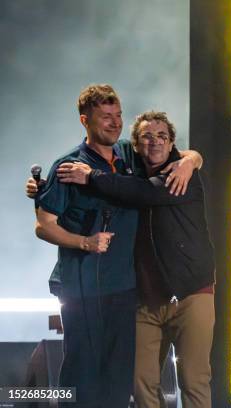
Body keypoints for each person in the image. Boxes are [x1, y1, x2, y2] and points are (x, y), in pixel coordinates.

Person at [32, 85, 201, 407]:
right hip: (81, 289)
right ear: (85, 121)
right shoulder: (68, 166)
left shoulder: (129, 154)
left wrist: (190, 161)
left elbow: (184, 153)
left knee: (119, 377)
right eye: (105, 117)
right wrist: (84, 241)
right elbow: (43, 226)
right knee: (81, 375)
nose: (114, 123)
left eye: (118, 115)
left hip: (124, 288)